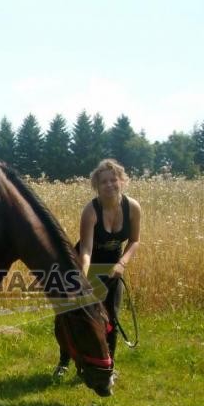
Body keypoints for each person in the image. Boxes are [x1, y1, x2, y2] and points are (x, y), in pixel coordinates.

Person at [55, 158, 141, 385]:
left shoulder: (132, 207)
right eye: (104, 182)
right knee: (75, 315)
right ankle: (64, 361)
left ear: (122, 181)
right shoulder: (90, 211)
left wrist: (122, 263)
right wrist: (82, 277)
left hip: (114, 266)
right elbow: (85, 249)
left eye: (114, 180)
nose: (110, 185)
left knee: (110, 316)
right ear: (97, 186)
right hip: (87, 262)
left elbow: (134, 241)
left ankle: (107, 367)